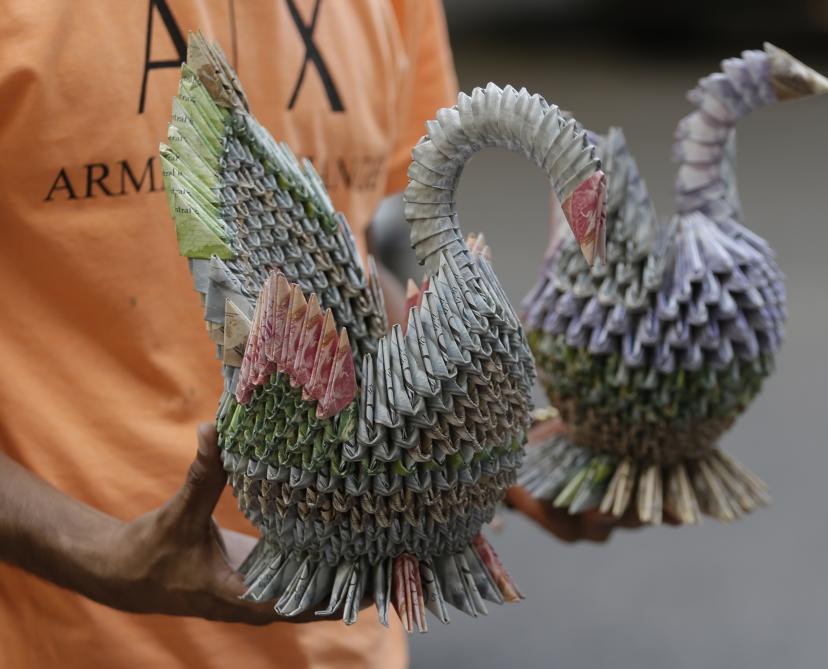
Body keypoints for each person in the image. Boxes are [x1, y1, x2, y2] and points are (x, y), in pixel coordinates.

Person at [0, 2, 638, 667]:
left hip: (345, 644)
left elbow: (352, 276)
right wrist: (102, 553)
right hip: (71, 642)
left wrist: (483, 431)